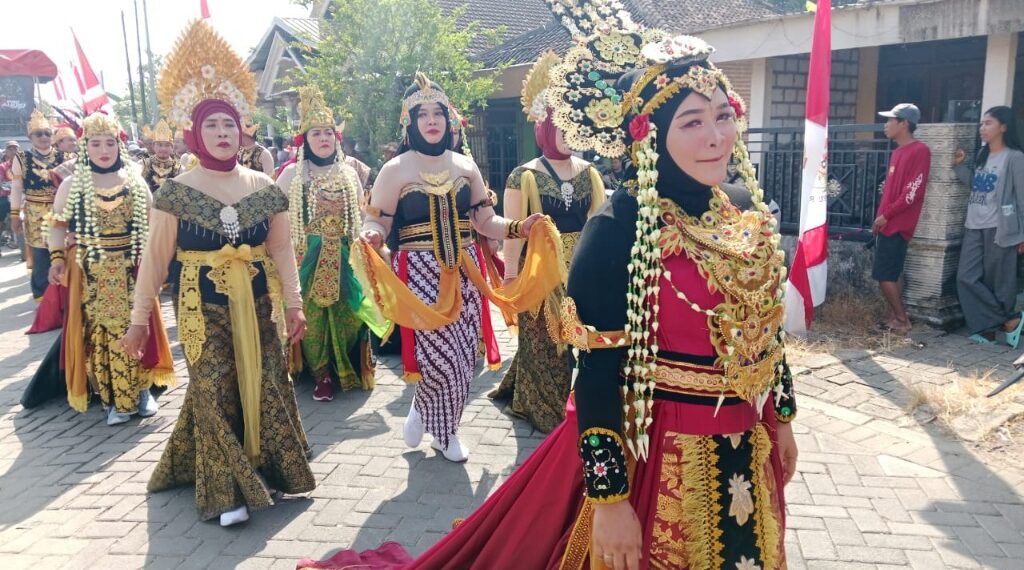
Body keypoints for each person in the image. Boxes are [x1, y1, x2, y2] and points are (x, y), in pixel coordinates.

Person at [304, 22, 797, 570]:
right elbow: (596, 375)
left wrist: (782, 418)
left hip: (746, 448)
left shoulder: (739, 208)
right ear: (649, 133)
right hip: (659, 454)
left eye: (724, 116)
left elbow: (766, 329)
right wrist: (609, 501)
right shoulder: (619, 229)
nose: (717, 136)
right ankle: (434, 420)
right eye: (693, 121)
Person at [120, 19, 315, 526]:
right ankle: (225, 489)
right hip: (202, 309)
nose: (223, 133)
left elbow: (282, 251)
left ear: (242, 128)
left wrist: (294, 304)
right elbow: (155, 261)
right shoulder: (175, 192)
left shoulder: (264, 186)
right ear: (193, 132)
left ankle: (274, 470)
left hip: (258, 304)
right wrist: (140, 320)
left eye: (229, 123)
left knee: (268, 381)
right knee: (213, 387)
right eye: (212, 125)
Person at [355, 72, 559, 463]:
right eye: (423, 115)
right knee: (437, 359)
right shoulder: (394, 169)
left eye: (439, 114)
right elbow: (377, 221)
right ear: (411, 123)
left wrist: (519, 226)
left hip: (467, 268)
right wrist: (372, 236)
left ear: (449, 122)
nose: (432, 121)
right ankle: (444, 432)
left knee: (465, 357)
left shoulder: (466, 166)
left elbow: (485, 222)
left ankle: (428, 415)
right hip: (418, 272)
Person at [21, 112, 175, 419]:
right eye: (95, 144)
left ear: (118, 145)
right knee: (97, 333)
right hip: (89, 269)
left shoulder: (133, 180)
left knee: (138, 325)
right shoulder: (72, 184)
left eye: (110, 143)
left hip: (131, 268)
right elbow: (57, 226)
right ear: (84, 147)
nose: (104, 150)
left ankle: (141, 390)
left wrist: (157, 263)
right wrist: (55, 259)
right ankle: (109, 396)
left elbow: (153, 224)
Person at [489, 50, 606, 433]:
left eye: (575, 126)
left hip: (582, 267)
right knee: (543, 339)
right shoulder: (522, 175)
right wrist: (509, 275)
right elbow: (511, 228)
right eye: (562, 125)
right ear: (543, 126)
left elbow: (597, 224)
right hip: (538, 270)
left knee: (577, 338)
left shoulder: (590, 172)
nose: (569, 134)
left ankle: (573, 400)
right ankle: (541, 404)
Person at [276, 85, 389, 402]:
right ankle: (320, 373)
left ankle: (350, 366)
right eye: (316, 134)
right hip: (306, 255)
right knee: (311, 316)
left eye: (328, 133)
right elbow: (275, 217)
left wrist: (367, 238)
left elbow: (361, 215)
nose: (324, 139)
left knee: (349, 315)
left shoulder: (349, 173)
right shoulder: (291, 176)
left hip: (344, 253)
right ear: (305, 140)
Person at [953, 105, 1024, 347]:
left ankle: (990, 330)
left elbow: (1022, 197)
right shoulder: (983, 155)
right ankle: (1010, 319)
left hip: (1001, 227)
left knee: (1001, 282)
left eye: (989, 123)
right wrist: (959, 166)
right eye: (982, 123)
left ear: (1003, 127)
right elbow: (976, 184)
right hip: (974, 225)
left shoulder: (1015, 157)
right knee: (966, 277)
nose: (983, 128)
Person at [872, 103, 931, 335]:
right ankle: (895, 317)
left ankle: (902, 319)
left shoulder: (920, 151)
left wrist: (886, 216)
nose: (886, 125)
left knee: (884, 274)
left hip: (897, 223)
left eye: (890, 121)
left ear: (904, 123)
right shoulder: (897, 152)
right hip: (887, 222)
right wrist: (880, 217)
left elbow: (913, 192)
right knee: (891, 272)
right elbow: (890, 191)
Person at [10, 110, 71, 300]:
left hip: (61, 210)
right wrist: (14, 215)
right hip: (36, 213)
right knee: (41, 255)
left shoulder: (65, 157)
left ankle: (64, 295)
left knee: (64, 252)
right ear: (30, 137)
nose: (44, 137)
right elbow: (17, 187)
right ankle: (43, 298)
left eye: (47, 133)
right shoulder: (21, 158)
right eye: (39, 134)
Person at [140, 119, 182, 193]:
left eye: (167, 145)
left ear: (172, 147)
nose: (163, 148)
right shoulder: (143, 164)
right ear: (153, 146)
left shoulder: (179, 168)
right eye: (159, 145)